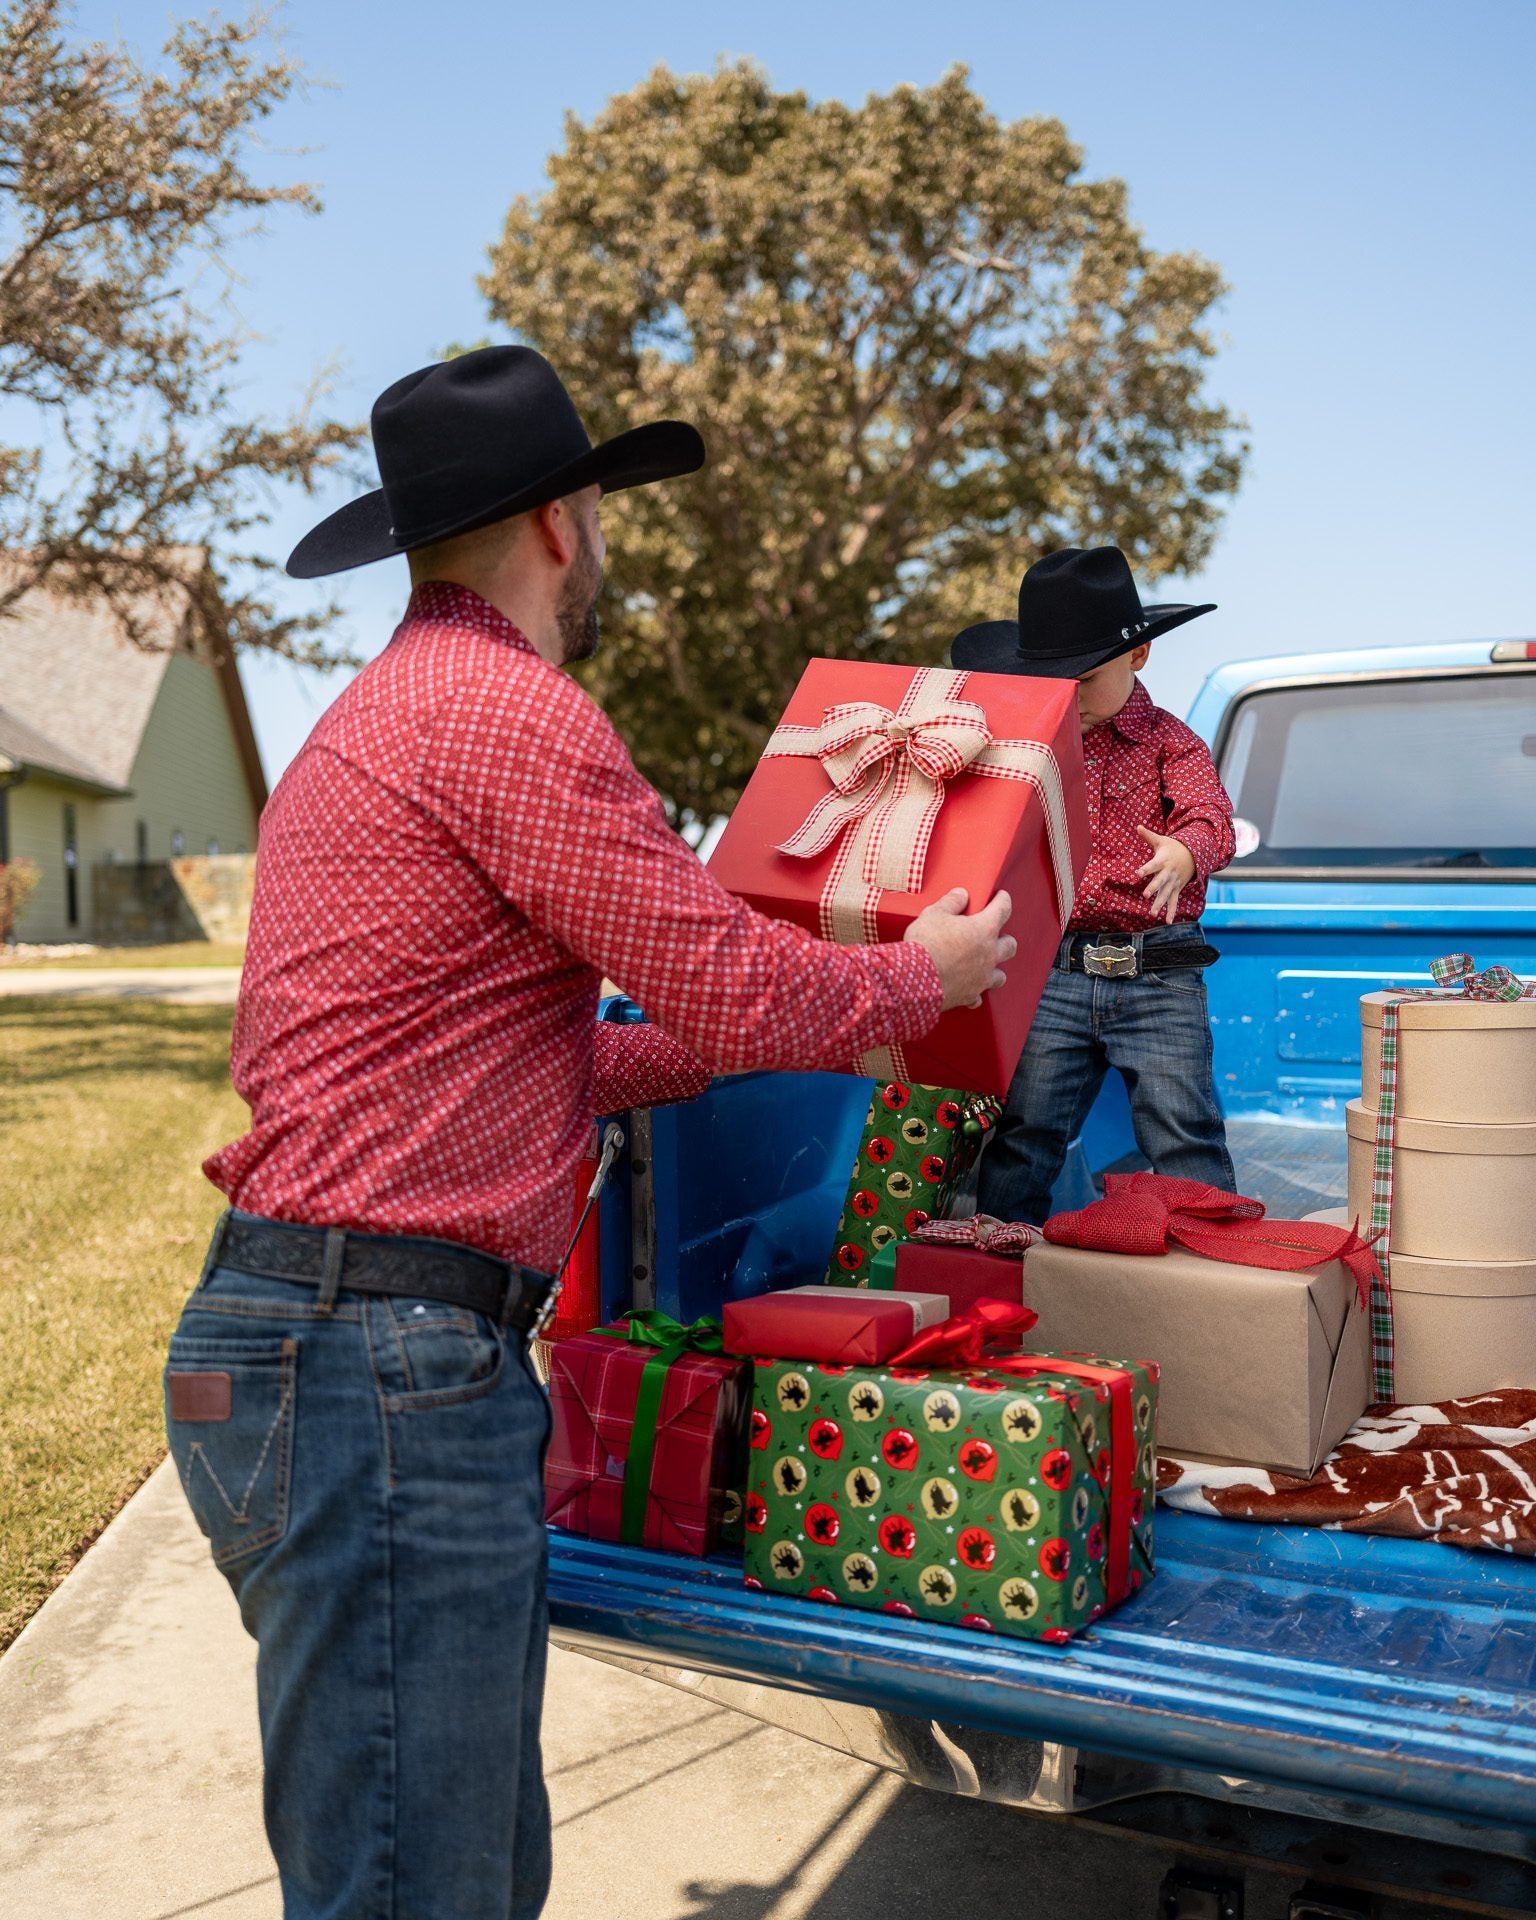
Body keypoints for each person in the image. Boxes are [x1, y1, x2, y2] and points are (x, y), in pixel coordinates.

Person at [162, 346, 1014, 1920]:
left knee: (456, 1862)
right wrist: (920, 979)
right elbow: (734, 981)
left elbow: (492, 1051)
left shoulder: (387, 712)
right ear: (563, 522)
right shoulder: (506, 714)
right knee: (425, 1887)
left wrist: (704, 1052)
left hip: (306, 1342)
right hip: (381, 1366)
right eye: (603, 515)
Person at [950, 545, 1237, 1226]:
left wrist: (1185, 853)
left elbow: (1211, 818)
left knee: (1183, 1132)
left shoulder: (1174, 743)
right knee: (1025, 1133)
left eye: (1085, 678)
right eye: (1053, 678)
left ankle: (1217, 1280)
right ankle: (1001, 1265)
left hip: (1159, 975)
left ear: (1137, 659)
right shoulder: (1029, 744)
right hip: (1056, 974)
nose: (1068, 694)